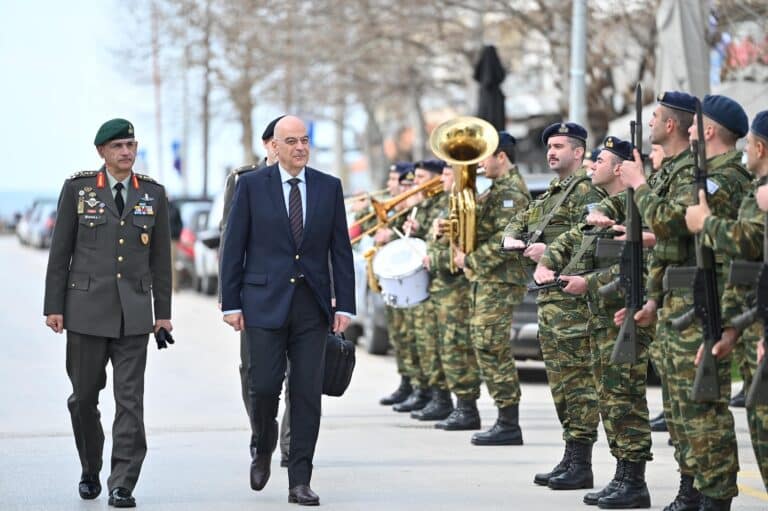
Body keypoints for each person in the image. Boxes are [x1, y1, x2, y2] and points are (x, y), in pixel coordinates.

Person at [619, 93, 751, 510]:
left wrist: (640, 185)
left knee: (703, 411)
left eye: (695, 126)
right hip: (679, 302)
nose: (689, 131)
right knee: (681, 411)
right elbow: (670, 249)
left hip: (703, 301)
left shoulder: (721, 180)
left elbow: (670, 225)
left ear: (709, 130)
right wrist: (655, 299)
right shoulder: (701, 173)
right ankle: (692, 490)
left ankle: (713, 498)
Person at [220, 115, 355, 506]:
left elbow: (339, 251)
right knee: (263, 388)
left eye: (305, 140)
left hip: (312, 308)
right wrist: (230, 303)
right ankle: (262, 445)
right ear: (274, 147)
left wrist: (344, 304)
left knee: (307, 394)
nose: (300, 147)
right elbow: (234, 248)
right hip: (262, 305)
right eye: (291, 141)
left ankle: (300, 480)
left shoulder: (328, 187)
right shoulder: (250, 186)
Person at [43, 118, 172, 508]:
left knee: (130, 401)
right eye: (118, 146)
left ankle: (122, 482)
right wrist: (54, 307)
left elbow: (161, 260)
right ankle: (90, 466)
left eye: (131, 145)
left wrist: (162, 313)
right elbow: (60, 252)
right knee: (84, 398)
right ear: (101, 151)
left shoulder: (152, 193)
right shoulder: (79, 190)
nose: (127, 152)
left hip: (134, 314)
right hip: (84, 312)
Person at [542, 137, 654, 508]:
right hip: (601, 318)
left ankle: (634, 479)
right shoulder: (606, 206)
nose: (592, 166)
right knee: (609, 397)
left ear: (620, 167)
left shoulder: (639, 206)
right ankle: (623, 475)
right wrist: (547, 262)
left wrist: (587, 283)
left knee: (625, 397)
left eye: (599, 161)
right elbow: (572, 240)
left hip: (626, 314)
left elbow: (635, 267)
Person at [504, 122, 605, 489]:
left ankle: (582, 463)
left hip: (574, 303)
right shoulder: (553, 192)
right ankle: (571, 454)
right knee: (561, 385)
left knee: (578, 384)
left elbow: (596, 238)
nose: (551, 151)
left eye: (560, 146)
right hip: (550, 302)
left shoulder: (587, 191)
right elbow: (523, 220)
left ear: (579, 153)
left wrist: (550, 252)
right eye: (549, 145)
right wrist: (514, 237)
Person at [685, 110, 768, 492]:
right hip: (754, 321)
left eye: (748, 145)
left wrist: (707, 223)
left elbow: (748, 243)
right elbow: (750, 269)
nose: (744, 151)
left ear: (761, 148)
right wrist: (733, 327)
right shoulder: (758, 191)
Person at [219, 115, 293, 468]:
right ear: (268, 146)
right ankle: (261, 430)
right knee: (254, 370)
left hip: (300, 293)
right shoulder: (244, 180)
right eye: (283, 142)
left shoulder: (309, 182)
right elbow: (230, 240)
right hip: (257, 294)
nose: (291, 149)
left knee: (300, 372)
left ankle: (291, 443)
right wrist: (229, 296)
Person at [452, 132, 532, 445]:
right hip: (488, 279)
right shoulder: (497, 189)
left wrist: (470, 258)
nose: (479, 164)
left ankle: (509, 422)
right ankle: (504, 419)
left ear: (501, 156)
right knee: (485, 344)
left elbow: (505, 241)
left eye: (484, 156)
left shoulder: (512, 191)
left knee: (491, 345)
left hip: (500, 278)